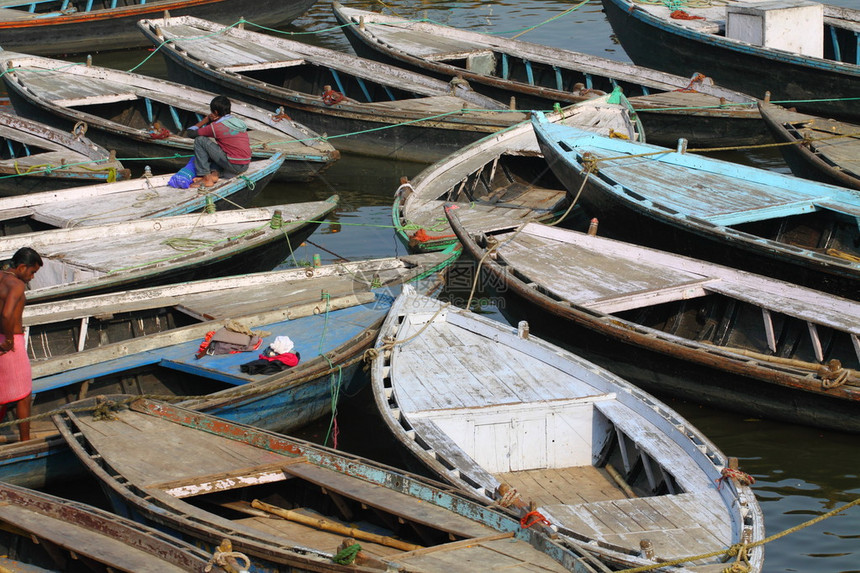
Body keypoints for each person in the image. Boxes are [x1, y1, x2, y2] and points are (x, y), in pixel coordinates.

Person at [0, 247, 42, 442]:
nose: (32, 277)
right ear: (22, 267)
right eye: (32, 272)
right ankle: (25, 441)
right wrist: (9, 340)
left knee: (3, 393)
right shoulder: (16, 285)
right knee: (23, 394)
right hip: (11, 341)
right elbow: (7, 314)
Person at [187, 95, 252, 189]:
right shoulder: (238, 122)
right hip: (245, 164)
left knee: (200, 140)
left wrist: (205, 120)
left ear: (216, 112)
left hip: (234, 164)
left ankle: (206, 177)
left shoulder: (216, 126)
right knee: (221, 147)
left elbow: (191, 133)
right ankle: (215, 173)